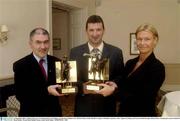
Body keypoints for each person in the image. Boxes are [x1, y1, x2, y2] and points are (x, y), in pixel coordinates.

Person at [69, 15, 124, 116]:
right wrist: (83, 88)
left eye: (98, 29)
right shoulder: (75, 52)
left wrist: (113, 86)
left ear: (104, 30)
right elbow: (71, 79)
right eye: (91, 30)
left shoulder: (116, 52)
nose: (95, 34)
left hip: (107, 107)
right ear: (86, 31)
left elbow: (120, 76)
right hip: (83, 108)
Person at [117, 23, 165, 116]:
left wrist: (113, 91)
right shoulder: (130, 63)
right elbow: (122, 83)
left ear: (155, 41)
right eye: (139, 39)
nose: (142, 43)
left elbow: (142, 97)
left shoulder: (158, 68)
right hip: (123, 113)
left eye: (147, 39)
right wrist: (114, 84)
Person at [13, 27, 62, 116]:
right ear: (30, 44)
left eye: (46, 42)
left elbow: (62, 86)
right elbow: (21, 95)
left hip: (54, 114)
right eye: (38, 42)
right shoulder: (20, 65)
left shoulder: (58, 62)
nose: (43, 46)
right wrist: (46, 90)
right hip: (31, 115)